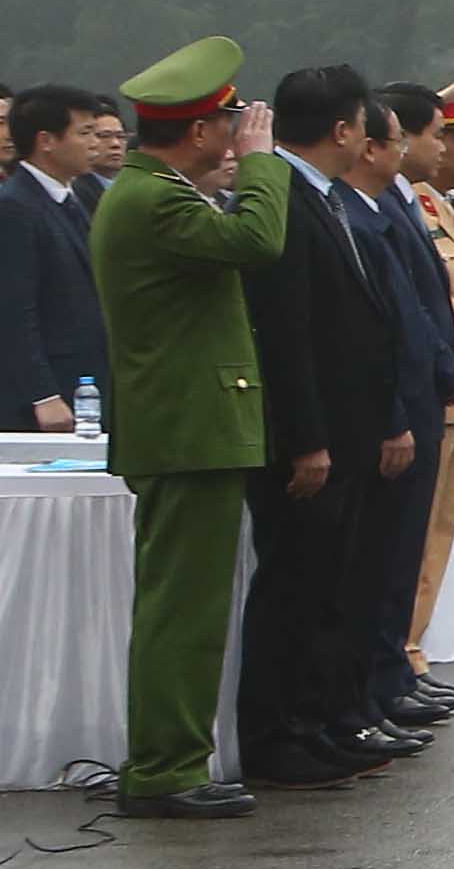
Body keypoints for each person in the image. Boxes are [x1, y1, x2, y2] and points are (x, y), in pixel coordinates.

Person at [87, 41, 293, 819]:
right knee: (184, 608)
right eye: (231, 123)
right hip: (187, 426)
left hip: (191, 423)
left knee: (190, 605)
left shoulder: (156, 191)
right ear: (203, 131)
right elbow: (257, 242)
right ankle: (165, 767)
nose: (240, 134)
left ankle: (170, 760)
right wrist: (266, 164)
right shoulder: (153, 199)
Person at [238, 64, 426, 788]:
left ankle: (316, 721)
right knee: (294, 588)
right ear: (344, 130)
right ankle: (275, 733)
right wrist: (307, 437)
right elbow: (290, 337)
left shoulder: (327, 201)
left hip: (350, 431)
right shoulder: (282, 198)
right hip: (312, 438)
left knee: (330, 586)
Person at [374, 80, 454, 681]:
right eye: (447, 137)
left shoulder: (435, 204)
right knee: (411, 538)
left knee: (437, 531)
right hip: (429, 391)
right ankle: (401, 655)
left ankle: (412, 647)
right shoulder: (400, 206)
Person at [4, 83, 118, 429]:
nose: (95, 144)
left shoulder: (73, 198)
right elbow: (12, 311)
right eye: (85, 133)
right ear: (46, 141)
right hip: (47, 398)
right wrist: (43, 395)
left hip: (87, 383)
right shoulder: (14, 207)